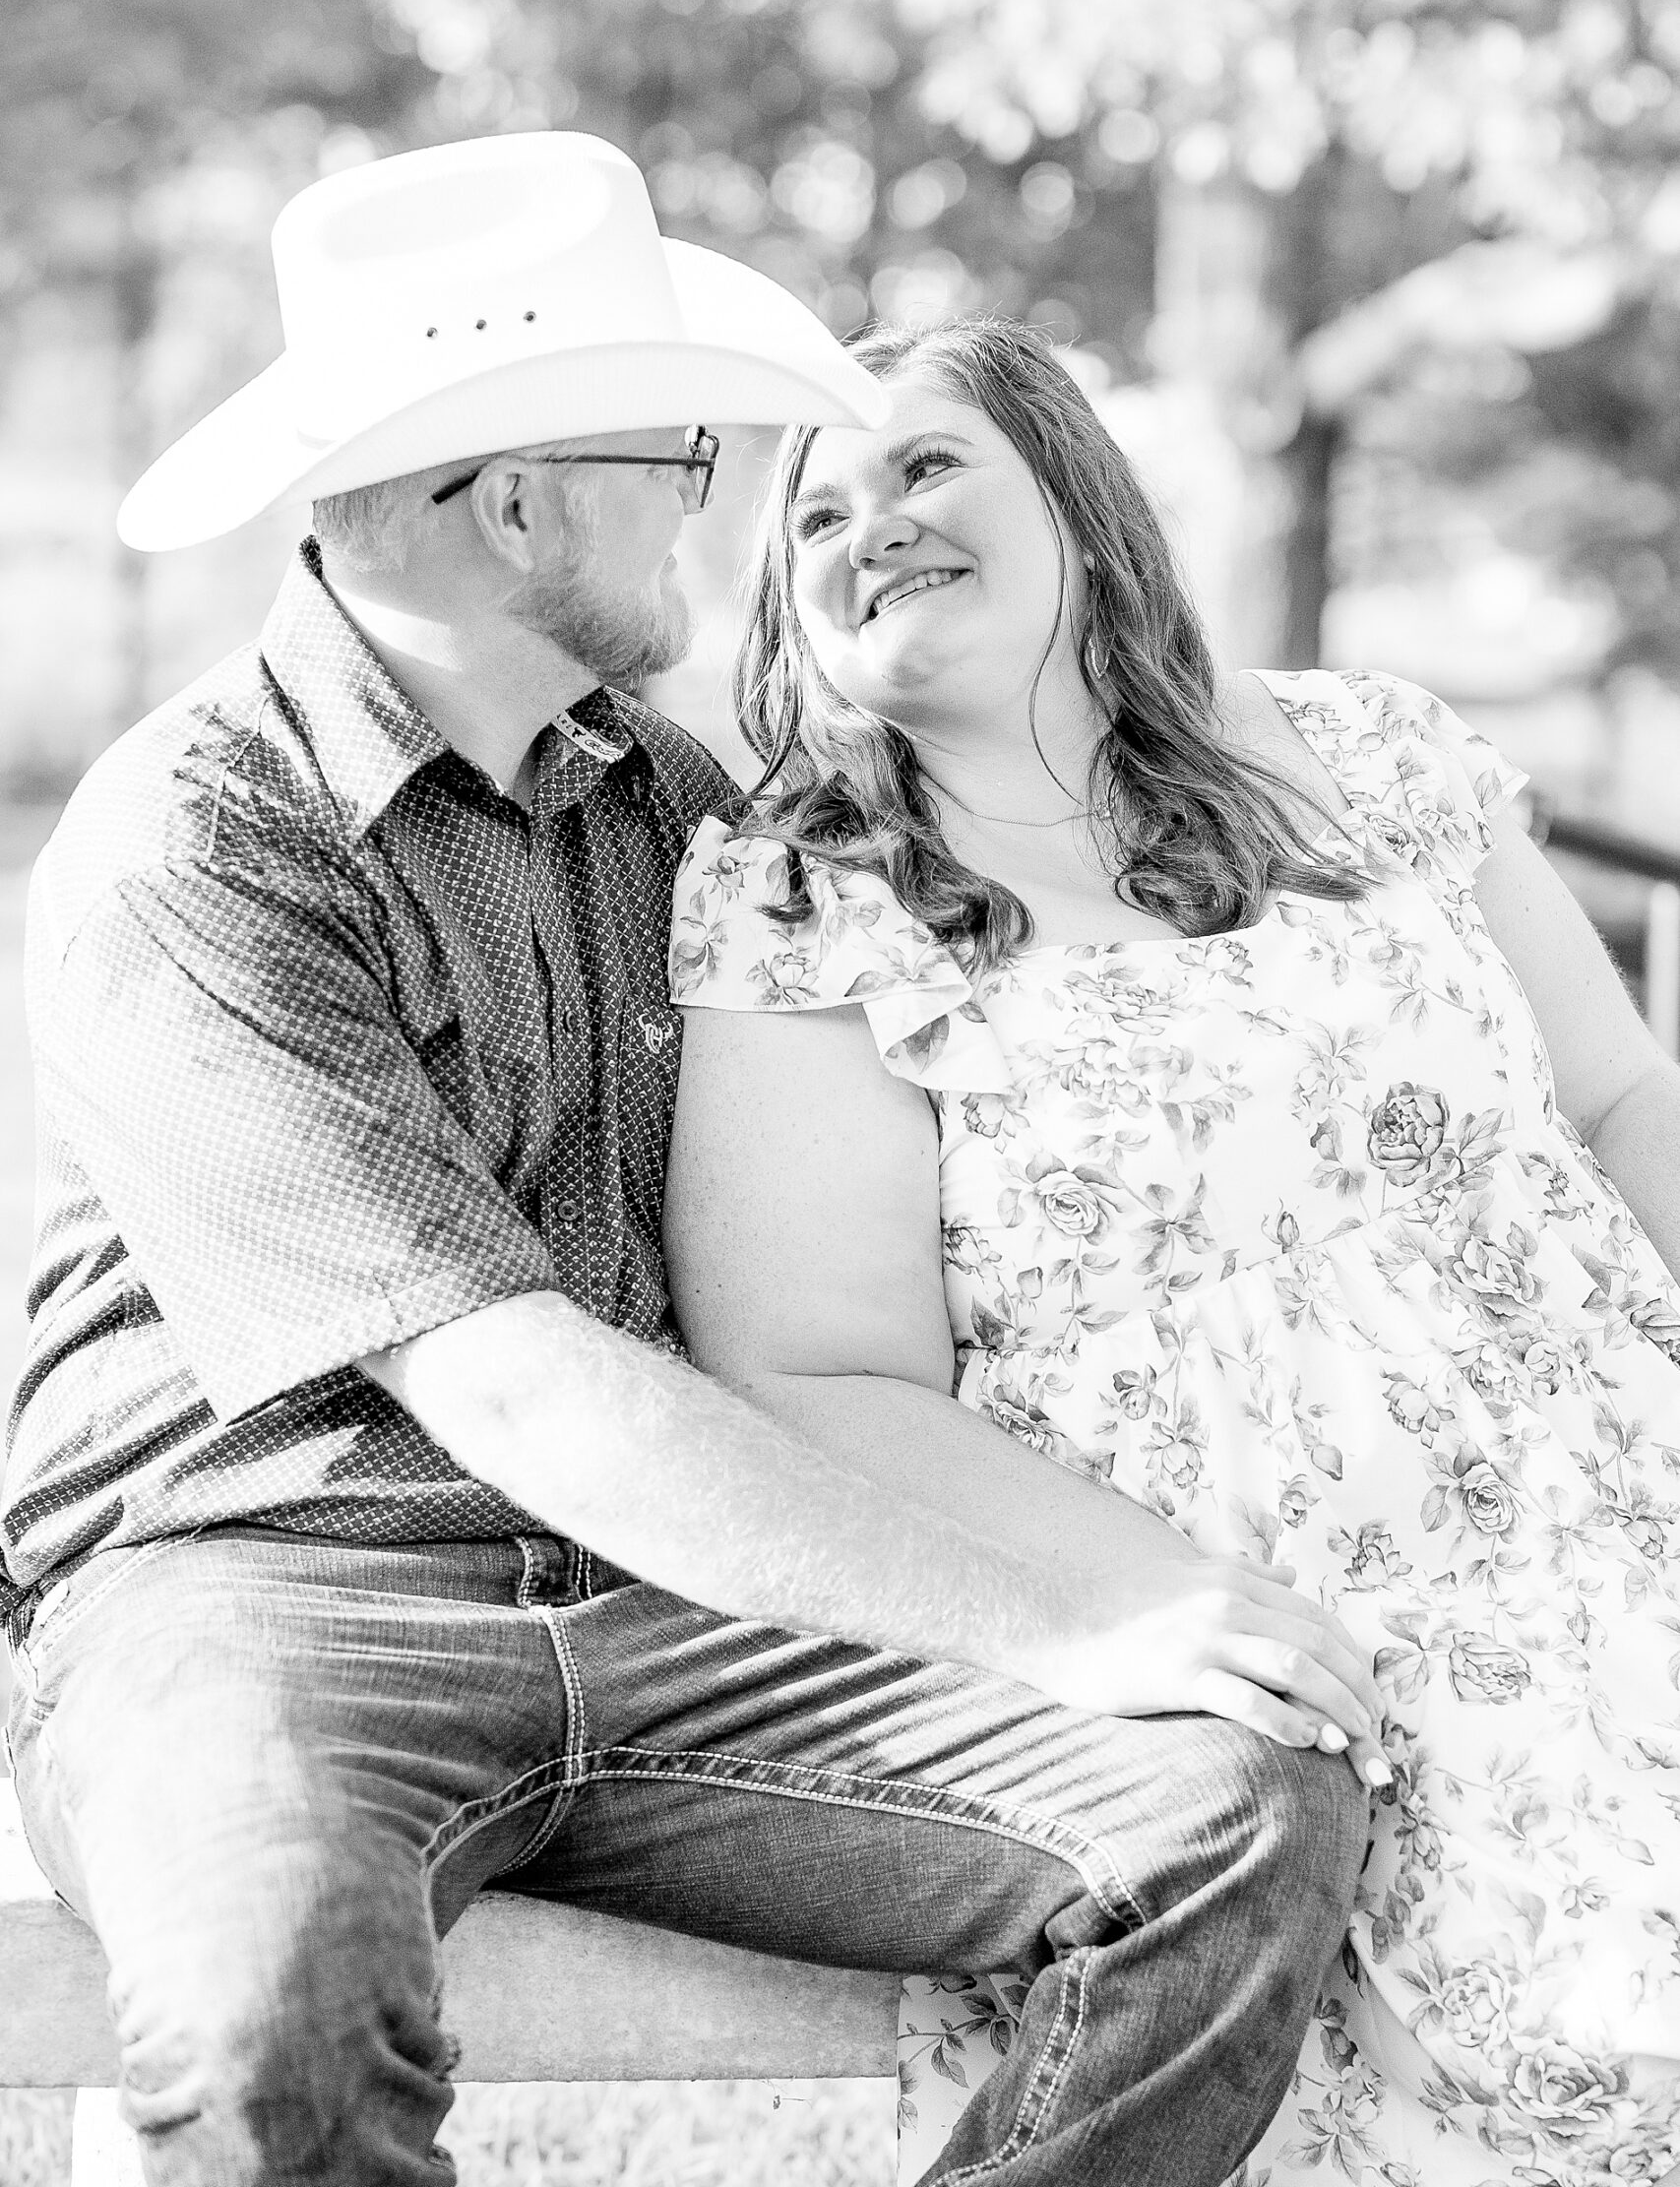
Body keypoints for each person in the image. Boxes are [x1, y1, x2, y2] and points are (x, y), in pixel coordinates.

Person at [2, 138, 1375, 2187]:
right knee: (264, 2003)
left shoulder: (669, 797)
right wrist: (1045, 1623)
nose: (721, 513)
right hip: (265, 1588)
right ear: (521, 495)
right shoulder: (194, 845)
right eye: (691, 462)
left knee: (1227, 1813)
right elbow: (506, 1380)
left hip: (659, 1610)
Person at [662, 312, 1680, 2187]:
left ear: (1076, 485)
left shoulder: (1373, 750)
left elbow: (1621, 1101)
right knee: (1593, 2009)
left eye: (926, 463)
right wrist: (1149, 1615)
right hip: (1262, 1589)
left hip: (1616, 1486)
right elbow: (813, 1374)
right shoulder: (802, 898)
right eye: (812, 514)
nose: (868, 521)